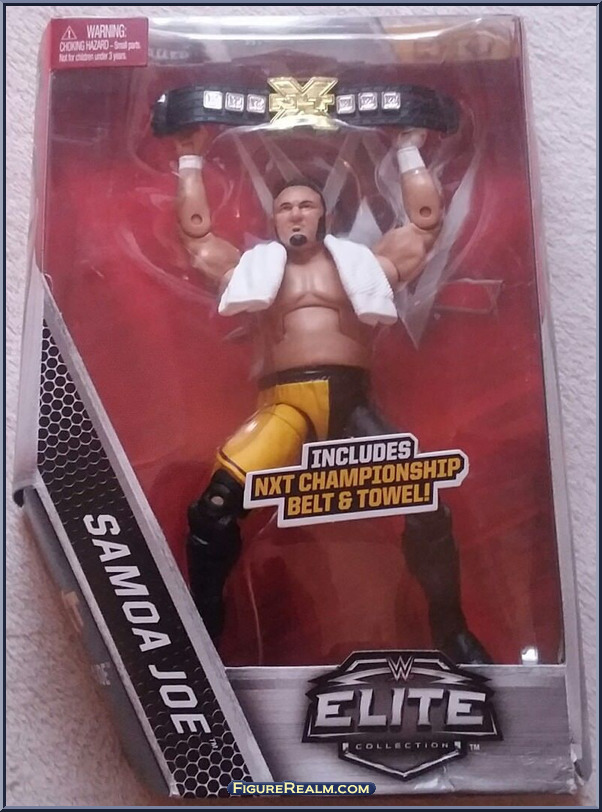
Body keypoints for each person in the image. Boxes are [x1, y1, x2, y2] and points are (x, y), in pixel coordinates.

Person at [173, 125, 491, 664]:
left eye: (305, 205)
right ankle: (201, 640)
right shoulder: (257, 272)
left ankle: (452, 631)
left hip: (351, 404)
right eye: (285, 208)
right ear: (274, 219)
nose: (295, 214)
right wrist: (189, 161)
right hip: (285, 406)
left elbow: (424, 225)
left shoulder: (359, 267)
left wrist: (408, 149)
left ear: (323, 214)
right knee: (215, 508)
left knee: (426, 500)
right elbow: (198, 237)